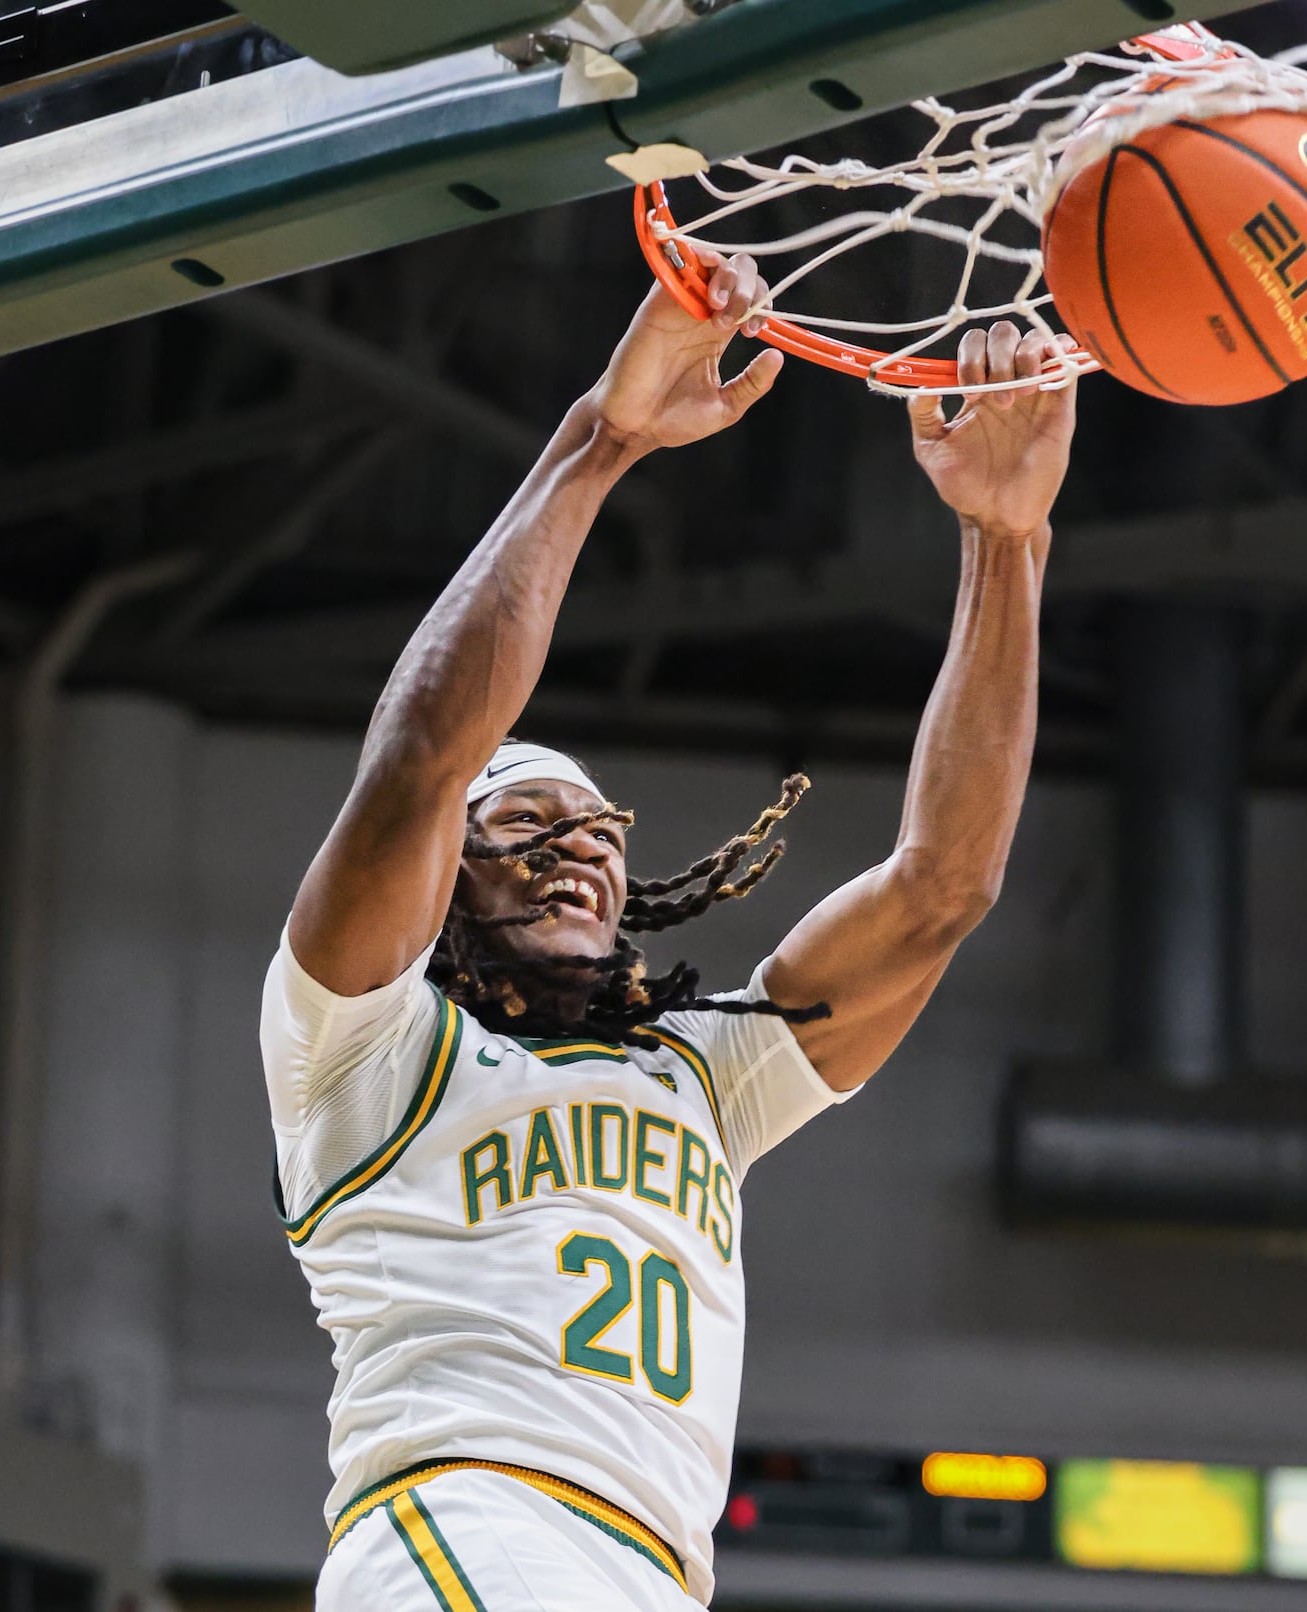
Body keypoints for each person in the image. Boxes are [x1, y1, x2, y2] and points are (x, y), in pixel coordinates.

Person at [260, 252, 1077, 1612]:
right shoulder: (359, 1042)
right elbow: (418, 760)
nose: (577, 850)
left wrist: (1008, 541)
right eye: (526, 826)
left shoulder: (702, 1072)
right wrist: (605, 438)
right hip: (468, 1520)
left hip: (652, 1568)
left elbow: (943, 886)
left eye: (596, 831)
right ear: (446, 883)